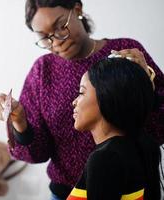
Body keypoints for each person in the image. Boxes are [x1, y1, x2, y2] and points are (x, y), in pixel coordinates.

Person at [0, 0, 164, 199]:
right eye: (45, 38)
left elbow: (159, 128)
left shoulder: (124, 52)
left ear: (76, 9)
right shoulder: (42, 72)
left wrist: (148, 84)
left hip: (131, 190)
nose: (56, 41)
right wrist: (21, 124)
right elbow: (36, 153)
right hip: (68, 193)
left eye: (60, 26)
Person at [68, 57, 162, 200]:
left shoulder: (104, 159)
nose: (74, 102)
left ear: (106, 95)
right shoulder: (140, 144)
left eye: (81, 92)